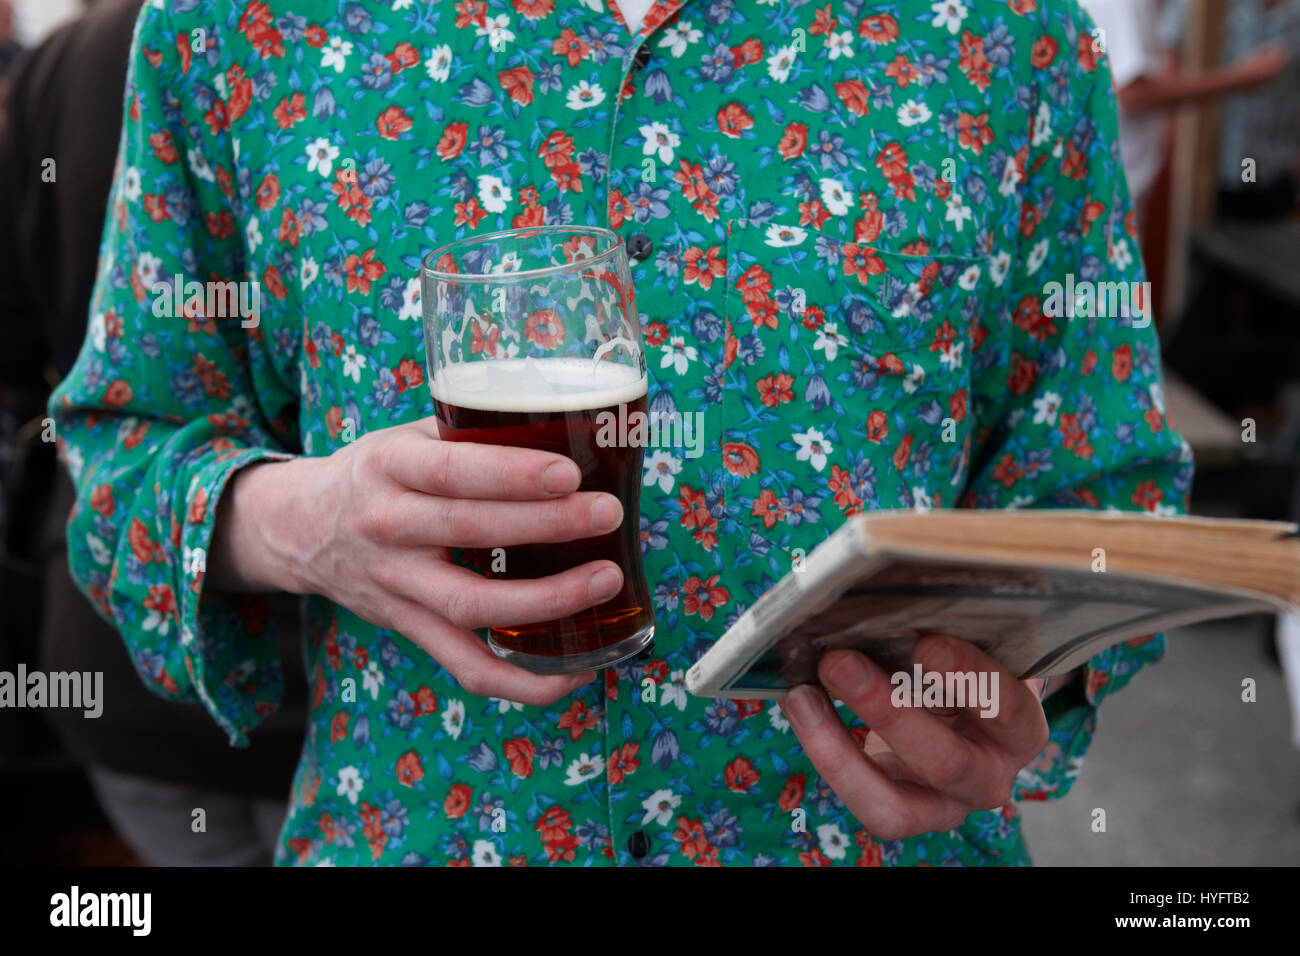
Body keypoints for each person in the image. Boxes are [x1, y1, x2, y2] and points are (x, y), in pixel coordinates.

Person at [50, 0, 1191, 866]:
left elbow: (1105, 488)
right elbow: (119, 454)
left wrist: (1009, 696)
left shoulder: (1009, 36)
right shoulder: (232, 26)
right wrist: (297, 524)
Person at [0, 0, 306, 866]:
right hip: (310, 673)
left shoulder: (61, 63)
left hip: (121, 655)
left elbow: (17, 339)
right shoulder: (307, 48)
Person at [1083, 0, 1289, 226]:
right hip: (1117, 182)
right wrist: (1239, 79)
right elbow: (1132, 93)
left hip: (1113, 177)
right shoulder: (1124, 5)